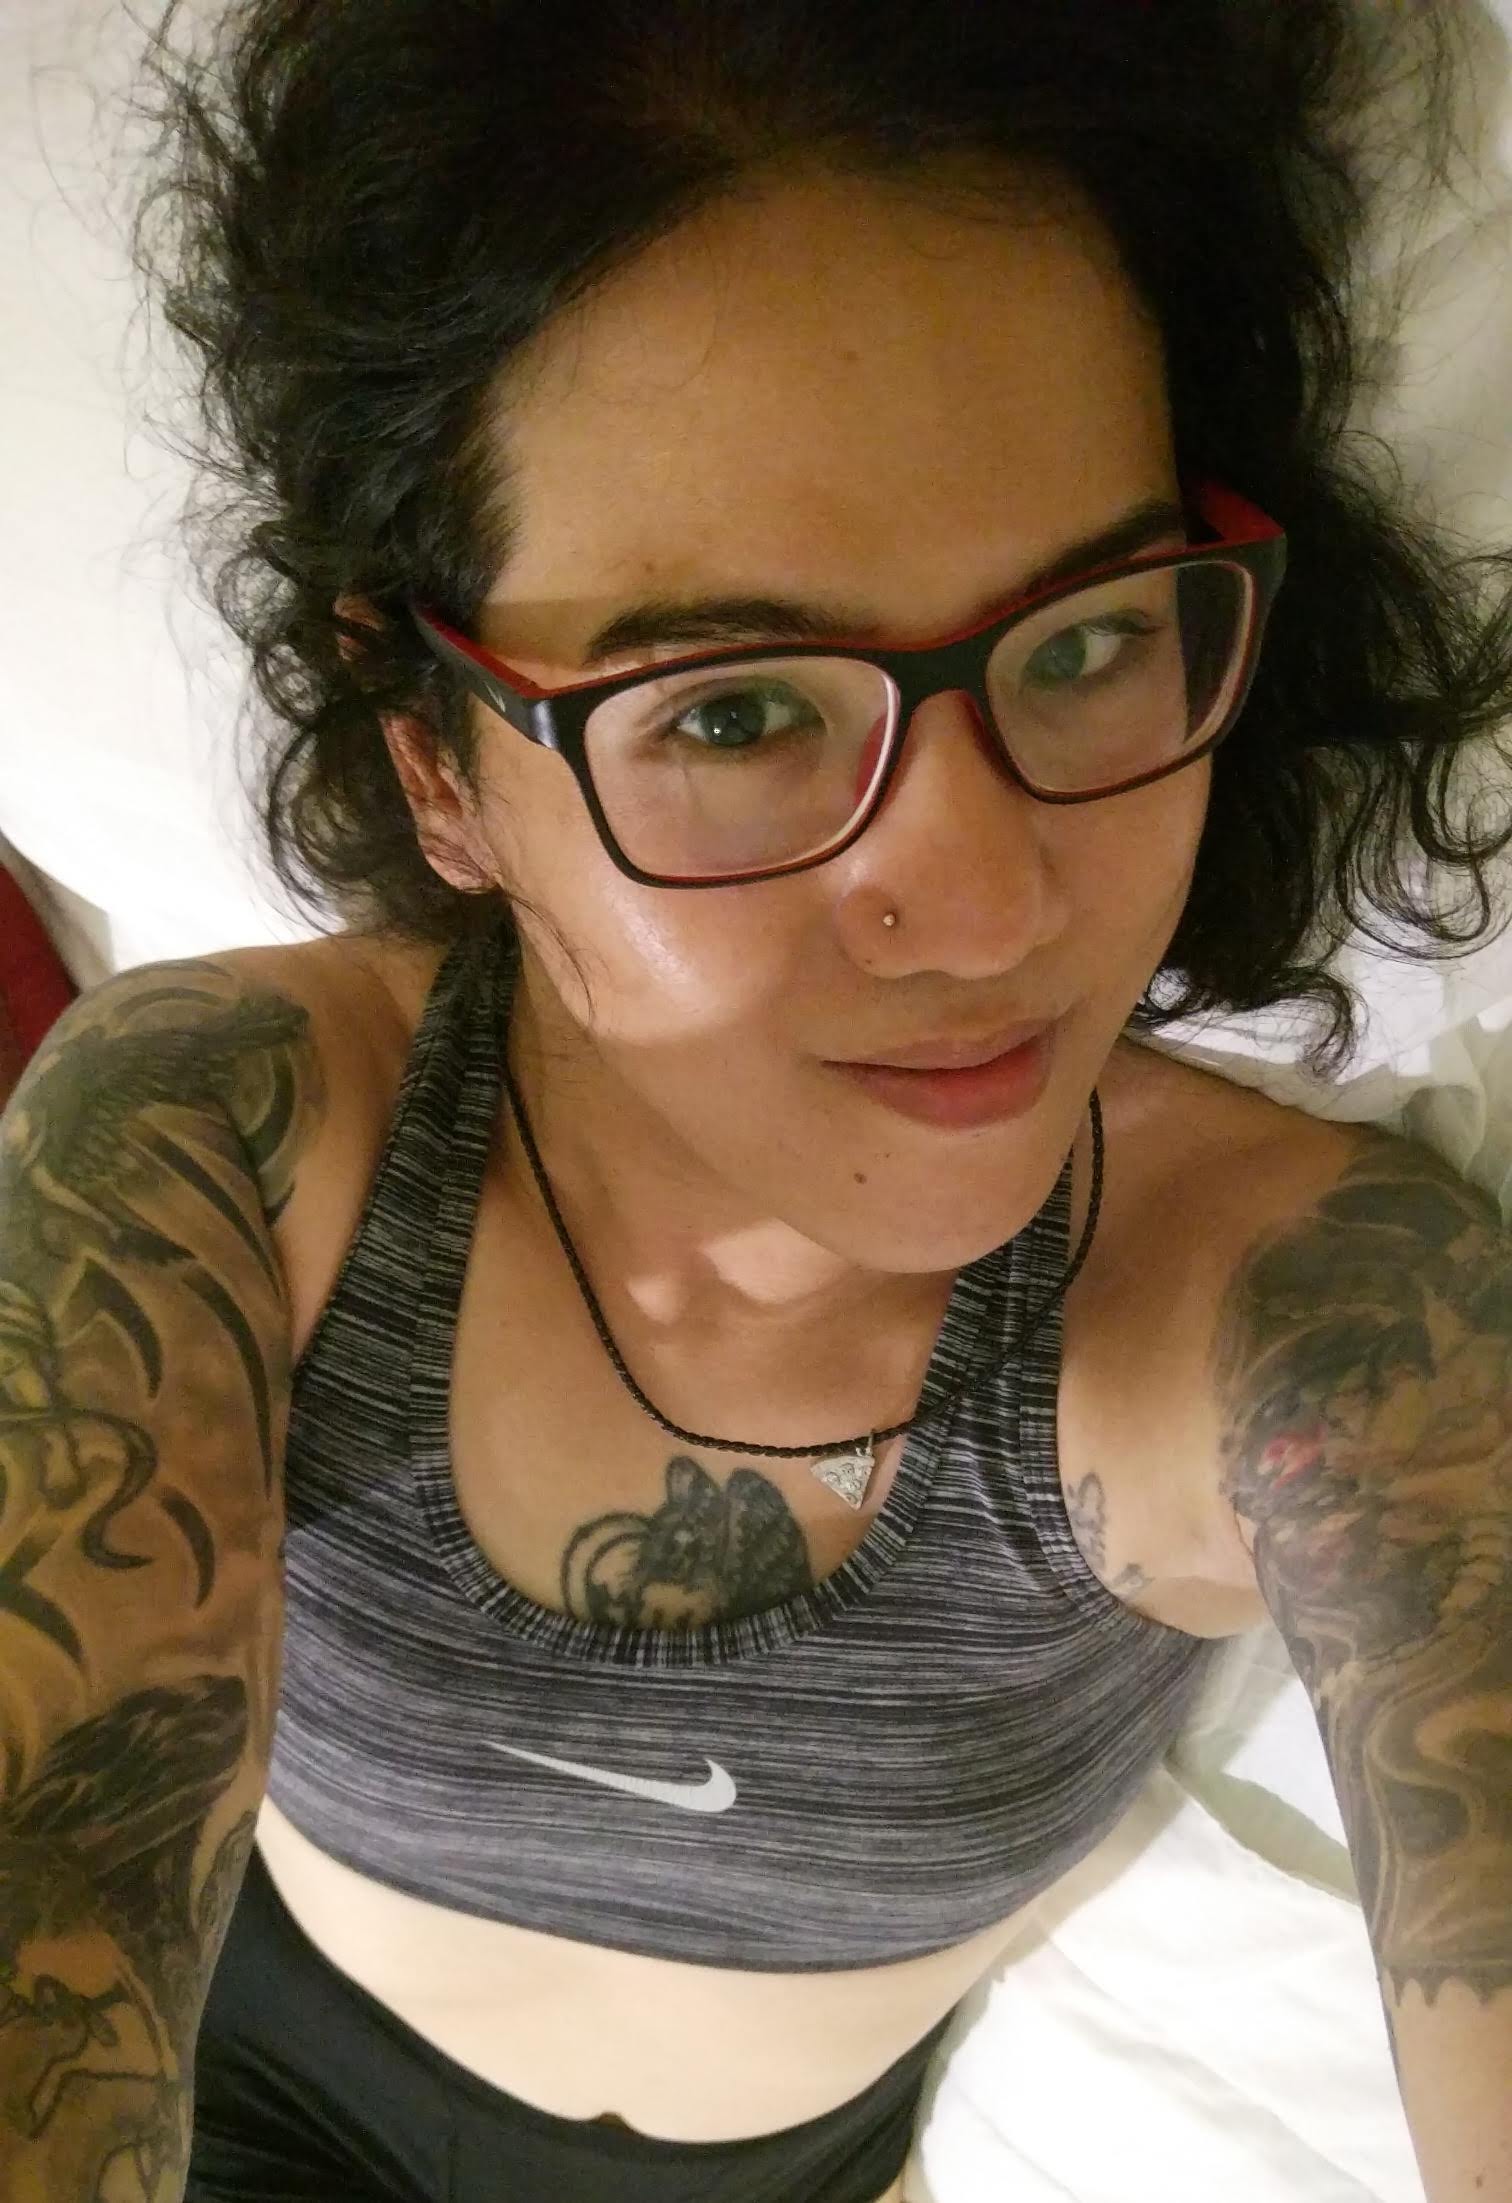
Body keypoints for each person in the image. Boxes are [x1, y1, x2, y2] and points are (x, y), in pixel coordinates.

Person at [3, 1, 1510, 2198]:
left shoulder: (1318, 1325)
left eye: (1088, 641)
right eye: (728, 714)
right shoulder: (221, 1147)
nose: (985, 907)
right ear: (439, 766)